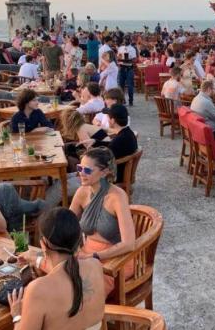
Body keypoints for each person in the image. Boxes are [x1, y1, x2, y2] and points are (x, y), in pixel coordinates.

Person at [9, 208, 105, 330]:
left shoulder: (38, 290)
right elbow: (65, 271)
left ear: (43, 244)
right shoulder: (95, 266)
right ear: (79, 239)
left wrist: (17, 315)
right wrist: (36, 259)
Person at [69, 147, 136, 295]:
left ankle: (89, 316)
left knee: (82, 289)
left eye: (87, 170)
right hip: (87, 255)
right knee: (59, 279)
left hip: (117, 260)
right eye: (80, 168)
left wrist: (93, 256)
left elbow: (129, 244)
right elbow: (66, 226)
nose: (81, 173)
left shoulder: (117, 197)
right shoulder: (82, 192)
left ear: (104, 172)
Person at [106, 104, 137, 179]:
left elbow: (105, 162)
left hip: (116, 175)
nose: (107, 120)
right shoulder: (129, 133)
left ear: (113, 121)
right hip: (124, 172)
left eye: (108, 117)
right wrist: (95, 141)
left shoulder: (117, 142)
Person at [117, 37, 137, 106]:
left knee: (130, 86)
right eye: (125, 40)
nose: (125, 41)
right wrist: (120, 59)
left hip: (129, 69)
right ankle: (122, 100)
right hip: (121, 68)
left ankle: (130, 101)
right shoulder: (120, 48)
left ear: (130, 41)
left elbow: (134, 60)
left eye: (127, 40)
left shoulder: (132, 49)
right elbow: (118, 57)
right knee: (120, 86)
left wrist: (128, 59)